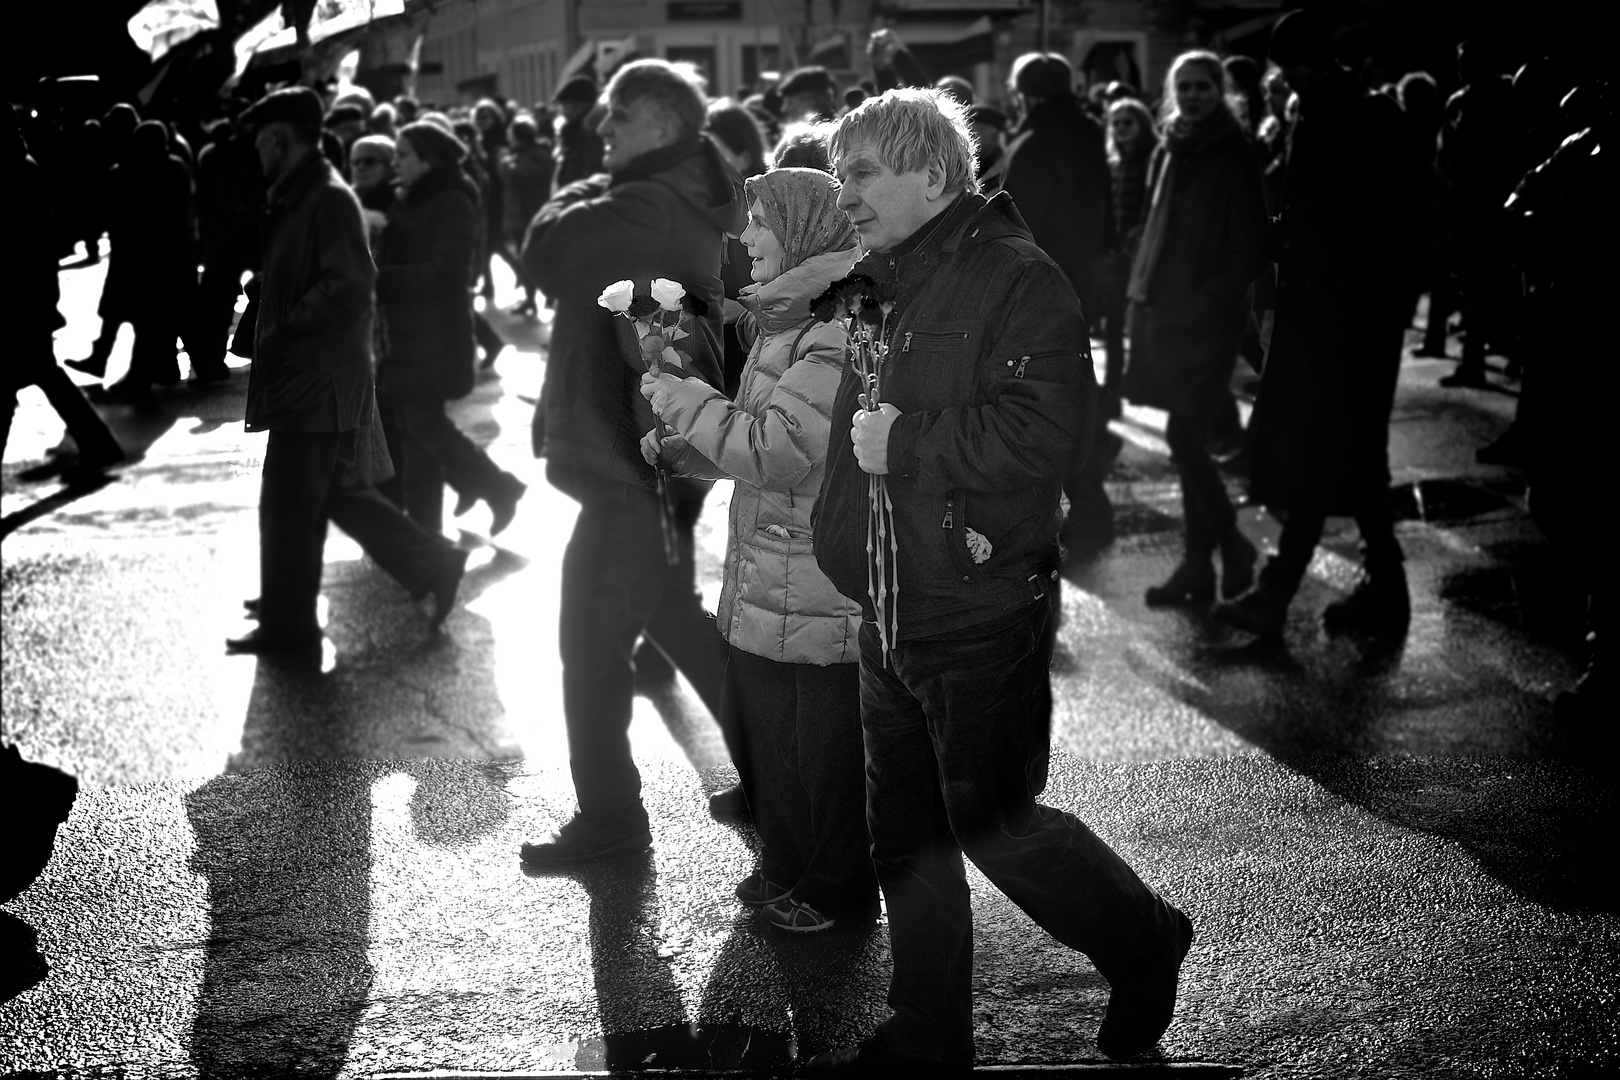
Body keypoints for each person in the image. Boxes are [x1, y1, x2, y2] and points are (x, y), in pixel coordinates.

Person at [805, 87, 1193, 1075]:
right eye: (839, 171)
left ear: (933, 175)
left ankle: (1145, 938)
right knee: (908, 843)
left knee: (997, 829)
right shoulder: (876, 280)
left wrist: (911, 443)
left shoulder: (1018, 278)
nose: (843, 191)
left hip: (976, 608)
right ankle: (930, 1036)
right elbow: (854, 433)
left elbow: (1050, 434)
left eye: (862, 173)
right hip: (887, 604)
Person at [518, 59, 745, 864]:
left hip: (633, 456)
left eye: (616, 117)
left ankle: (612, 820)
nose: (599, 130)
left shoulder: (647, 202)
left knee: (587, 637)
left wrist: (574, 188)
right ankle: (783, 771)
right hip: (652, 447)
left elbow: (545, 248)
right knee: (671, 617)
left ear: (661, 124)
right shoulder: (670, 192)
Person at [639, 167, 875, 933]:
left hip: (817, 583)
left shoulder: (832, 330)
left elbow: (776, 451)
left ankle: (835, 890)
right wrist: (692, 450)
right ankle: (794, 867)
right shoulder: (786, 322)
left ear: (804, 229)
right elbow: (767, 443)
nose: (743, 238)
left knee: (824, 753)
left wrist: (683, 399)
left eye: (760, 222)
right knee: (779, 739)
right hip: (775, 572)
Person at [229, 87, 469, 655]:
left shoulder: (324, 199)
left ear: (281, 138)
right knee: (324, 496)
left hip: (316, 381)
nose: (255, 151)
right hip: (311, 379)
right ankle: (424, 564)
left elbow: (349, 286)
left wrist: (286, 324)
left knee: (289, 505)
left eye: (261, 140)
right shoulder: (300, 194)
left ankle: (289, 626)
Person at [1214, 9, 1420, 640]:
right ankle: (1384, 587)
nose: (1287, 79)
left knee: (1326, 453)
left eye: (1291, 66)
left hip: (1345, 317)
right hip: (1341, 314)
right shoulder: (1336, 109)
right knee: (1352, 458)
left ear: (1305, 63)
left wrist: (1285, 247)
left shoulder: (1352, 114)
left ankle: (1279, 592)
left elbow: (1369, 226)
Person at [1121, 51, 1266, 607]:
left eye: (1205, 86)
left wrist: (1207, 301)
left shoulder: (1233, 150)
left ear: (1221, 90)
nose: (1195, 94)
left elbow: (1250, 244)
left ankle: (1230, 544)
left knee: (1184, 435)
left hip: (1206, 319)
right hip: (1166, 312)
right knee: (1188, 441)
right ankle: (1199, 564)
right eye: (1185, 85)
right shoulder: (1171, 147)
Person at [374, 121, 528, 537]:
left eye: (403, 154)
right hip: (410, 335)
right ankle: (426, 529)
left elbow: (448, 272)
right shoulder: (414, 196)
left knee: (422, 425)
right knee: (414, 431)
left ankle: (498, 487)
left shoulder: (449, 200)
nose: (396, 162)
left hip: (435, 336)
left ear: (431, 157)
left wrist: (380, 278)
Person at [997, 51, 1116, 559]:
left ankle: (1087, 507)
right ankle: (1089, 505)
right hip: (1081, 280)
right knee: (1065, 387)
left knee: (1042, 398)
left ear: (1024, 93)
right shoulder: (1091, 132)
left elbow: (1016, 223)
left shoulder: (1031, 142)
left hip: (1037, 287)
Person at [1, 104, 125, 477]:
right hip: (29, 296)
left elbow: (29, 245)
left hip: (21, 298)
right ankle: (99, 443)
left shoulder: (17, 171)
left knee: (36, 375)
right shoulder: (22, 165)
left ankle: (99, 443)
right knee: (43, 373)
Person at [1097, 97, 1156, 416]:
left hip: (1144, 257)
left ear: (1142, 124)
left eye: (1127, 122)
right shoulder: (1113, 162)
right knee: (1114, 325)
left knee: (1146, 327)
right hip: (1116, 257)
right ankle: (1114, 389)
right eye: (1116, 123)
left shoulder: (1154, 160)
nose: (1120, 129)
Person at [496, 115, 554, 316]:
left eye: (511, 135)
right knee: (526, 259)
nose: (509, 139)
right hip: (521, 215)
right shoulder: (524, 154)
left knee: (532, 259)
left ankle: (545, 296)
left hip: (528, 215)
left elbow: (518, 176)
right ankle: (532, 299)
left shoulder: (534, 155)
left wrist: (503, 162)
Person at [551, 76, 604, 192]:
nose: (562, 111)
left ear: (574, 106)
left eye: (563, 105)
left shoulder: (592, 134)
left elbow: (592, 183)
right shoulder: (576, 132)